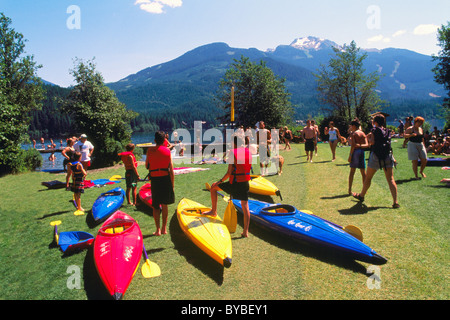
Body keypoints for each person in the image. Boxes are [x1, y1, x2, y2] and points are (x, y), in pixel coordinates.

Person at [204, 135, 252, 238]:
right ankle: (245, 232)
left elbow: (229, 173)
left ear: (234, 143)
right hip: (245, 183)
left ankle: (213, 211)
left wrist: (219, 181)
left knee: (213, 187)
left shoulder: (232, 153)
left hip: (235, 184)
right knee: (245, 205)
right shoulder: (248, 152)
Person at [352, 114, 399, 208]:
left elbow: (372, 142)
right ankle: (395, 202)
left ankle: (361, 195)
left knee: (368, 177)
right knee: (390, 179)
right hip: (387, 156)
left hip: (376, 156)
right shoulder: (387, 131)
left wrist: (369, 139)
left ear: (375, 122)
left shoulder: (374, 130)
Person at [145, 131, 175, 236]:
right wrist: (172, 185)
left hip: (155, 180)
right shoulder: (167, 151)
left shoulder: (149, 150)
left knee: (156, 205)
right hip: (165, 179)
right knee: (165, 204)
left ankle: (157, 230)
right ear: (164, 141)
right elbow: (171, 170)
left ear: (154, 140)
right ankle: (164, 229)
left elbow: (146, 165)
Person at [347, 119, 367, 195]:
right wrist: (361, 145)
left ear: (354, 126)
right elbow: (367, 145)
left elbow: (353, 146)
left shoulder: (354, 134)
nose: (351, 127)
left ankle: (349, 190)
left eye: (351, 126)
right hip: (362, 151)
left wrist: (350, 156)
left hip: (355, 152)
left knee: (352, 171)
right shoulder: (362, 133)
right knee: (363, 172)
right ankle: (365, 189)